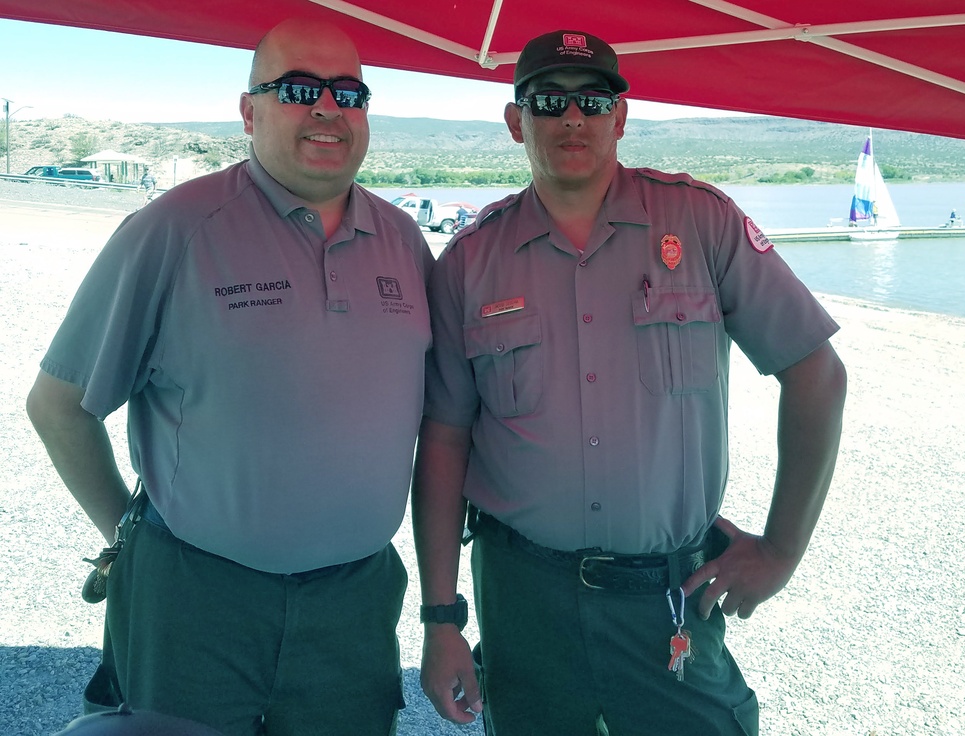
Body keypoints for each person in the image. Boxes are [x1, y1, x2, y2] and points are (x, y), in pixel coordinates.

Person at [412, 29, 847, 736]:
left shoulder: (699, 223)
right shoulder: (468, 262)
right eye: (549, 101)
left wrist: (780, 548)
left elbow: (816, 372)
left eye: (594, 99)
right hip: (523, 598)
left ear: (622, 114)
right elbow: (443, 441)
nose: (573, 118)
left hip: (667, 595)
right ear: (516, 120)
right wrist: (441, 619)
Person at [26, 16, 433, 736]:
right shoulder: (175, 228)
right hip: (194, 599)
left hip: (355, 603)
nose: (328, 110)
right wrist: (124, 535)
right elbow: (60, 404)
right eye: (300, 89)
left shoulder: (403, 240)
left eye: (348, 92)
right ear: (249, 111)